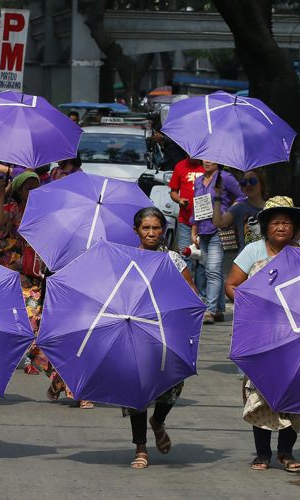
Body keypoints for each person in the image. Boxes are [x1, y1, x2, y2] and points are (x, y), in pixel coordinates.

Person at [225, 196, 300, 472]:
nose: (281, 227)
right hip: (261, 336)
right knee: (260, 392)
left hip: (294, 336)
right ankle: (262, 454)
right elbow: (231, 286)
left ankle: (286, 452)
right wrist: (252, 305)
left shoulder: (299, 254)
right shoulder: (253, 252)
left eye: (287, 223)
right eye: (276, 222)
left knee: (295, 391)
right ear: (267, 226)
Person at [127, 207, 198, 469]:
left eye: (156, 228)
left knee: (173, 384)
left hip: (166, 331)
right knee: (137, 389)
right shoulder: (128, 258)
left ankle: (158, 421)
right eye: (146, 228)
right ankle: (141, 448)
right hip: (134, 332)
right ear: (136, 231)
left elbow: (191, 293)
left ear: (163, 230)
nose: (151, 233)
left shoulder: (173, 260)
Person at [190, 160, 243, 324]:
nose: (207, 161)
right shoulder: (198, 180)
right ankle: (219, 308)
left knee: (212, 270)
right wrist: (194, 229)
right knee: (211, 270)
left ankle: (210, 310)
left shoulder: (225, 177)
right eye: (204, 158)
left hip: (218, 230)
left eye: (211, 158)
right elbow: (196, 206)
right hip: (203, 230)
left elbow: (243, 196)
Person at [211, 169, 267, 252]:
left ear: (261, 185)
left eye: (252, 181)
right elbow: (218, 222)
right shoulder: (239, 207)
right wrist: (218, 195)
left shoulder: (270, 207)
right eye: (244, 182)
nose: (248, 185)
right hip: (246, 259)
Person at [168, 157, 206, 273]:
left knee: (203, 259)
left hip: (205, 222)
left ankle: (201, 291)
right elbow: (173, 192)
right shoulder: (180, 166)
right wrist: (179, 200)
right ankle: (187, 287)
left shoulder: (208, 165)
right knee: (185, 255)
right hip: (186, 220)